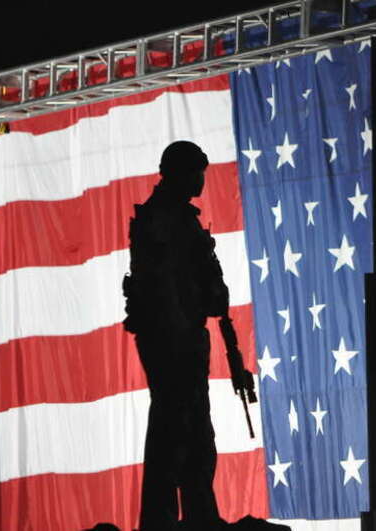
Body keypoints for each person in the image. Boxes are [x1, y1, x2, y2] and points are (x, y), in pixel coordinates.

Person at [123, 140, 228, 531]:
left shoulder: (178, 217)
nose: (202, 179)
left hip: (182, 337)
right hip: (173, 341)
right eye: (197, 171)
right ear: (182, 173)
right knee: (173, 431)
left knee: (195, 431)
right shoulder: (163, 219)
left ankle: (199, 514)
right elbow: (162, 285)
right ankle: (163, 520)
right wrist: (181, 335)